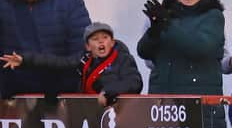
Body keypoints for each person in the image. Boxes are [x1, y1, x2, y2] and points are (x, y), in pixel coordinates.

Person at [137, 0, 227, 128]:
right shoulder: (165, 14)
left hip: (197, 107)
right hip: (164, 105)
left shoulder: (214, 16)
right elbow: (143, 52)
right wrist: (154, 31)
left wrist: (167, 25)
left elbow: (199, 47)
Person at [0, 0, 91, 99]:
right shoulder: (2, 1)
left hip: (62, 94)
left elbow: (81, 50)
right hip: (14, 96)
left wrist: (62, 83)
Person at [1, 22, 142, 106]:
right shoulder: (84, 59)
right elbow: (56, 62)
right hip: (87, 117)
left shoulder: (123, 59)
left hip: (116, 119)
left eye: (105, 38)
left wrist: (108, 92)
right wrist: (25, 60)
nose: (101, 42)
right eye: (95, 39)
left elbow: (134, 82)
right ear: (87, 46)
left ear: (112, 42)